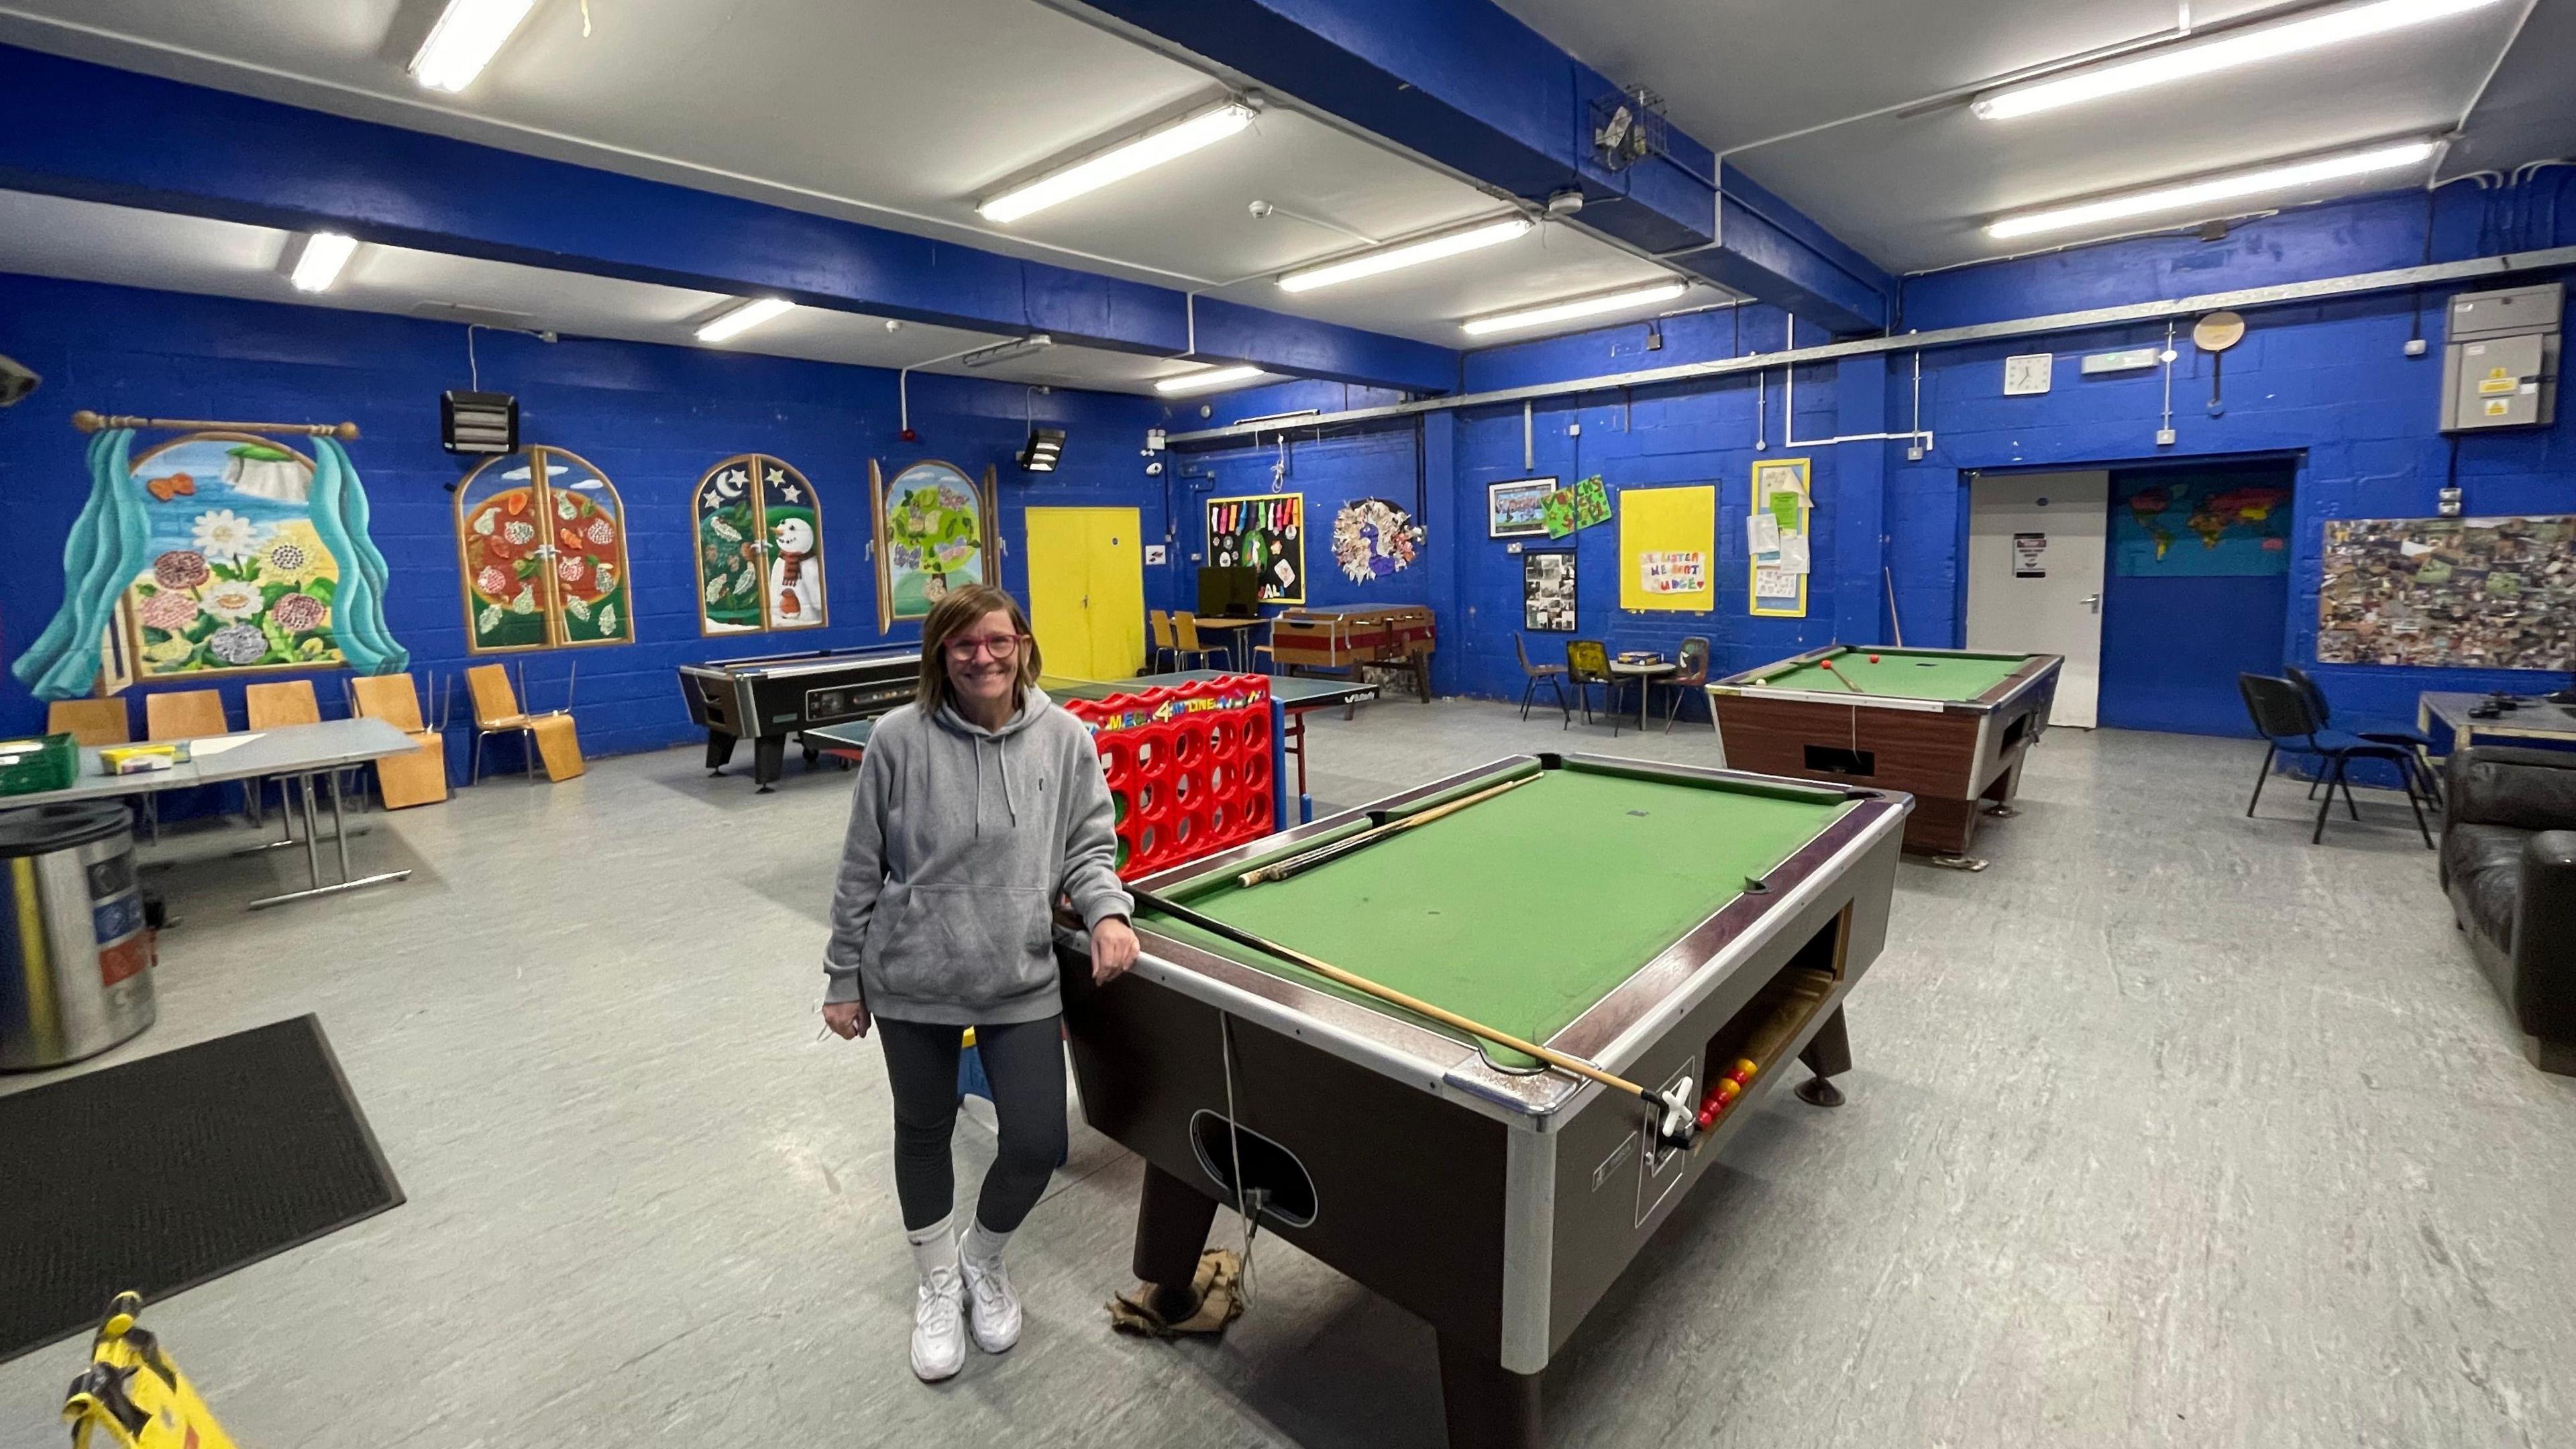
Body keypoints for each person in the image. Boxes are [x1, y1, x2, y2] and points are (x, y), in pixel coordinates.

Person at [820, 583, 1139, 1382]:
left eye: (997, 641)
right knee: (922, 1130)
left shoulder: (1066, 738)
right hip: (911, 978)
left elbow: (1090, 848)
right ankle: (935, 1281)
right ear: (940, 654)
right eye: (963, 645)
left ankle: (981, 1257)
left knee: (1037, 1141)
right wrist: (841, 977)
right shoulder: (896, 739)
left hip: (1019, 974)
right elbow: (862, 865)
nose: (982, 657)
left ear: (1023, 644)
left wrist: (1106, 914)